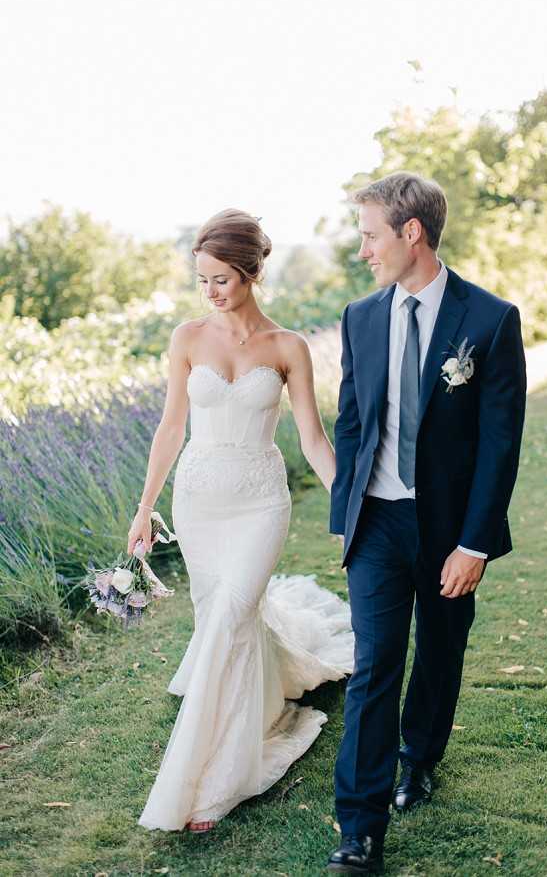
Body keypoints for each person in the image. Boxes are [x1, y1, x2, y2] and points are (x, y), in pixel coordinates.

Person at [326, 172, 527, 873]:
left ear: (412, 232)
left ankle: (420, 759)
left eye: (370, 234)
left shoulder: (491, 319)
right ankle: (360, 825)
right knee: (375, 663)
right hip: (377, 524)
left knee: (439, 655)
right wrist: (344, 515)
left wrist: (474, 543)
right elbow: (353, 422)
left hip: (449, 531)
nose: (363, 250)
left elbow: (501, 443)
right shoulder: (359, 317)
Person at [130, 209, 354, 833]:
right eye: (202, 279)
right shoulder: (187, 338)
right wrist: (145, 509)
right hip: (198, 503)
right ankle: (250, 710)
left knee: (230, 617)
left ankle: (218, 779)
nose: (210, 291)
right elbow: (172, 427)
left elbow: (311, 436)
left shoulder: (288, 348)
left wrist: (347, 501)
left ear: (253, 273)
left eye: (222, 278)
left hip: (259, 502)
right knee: (222, 621)